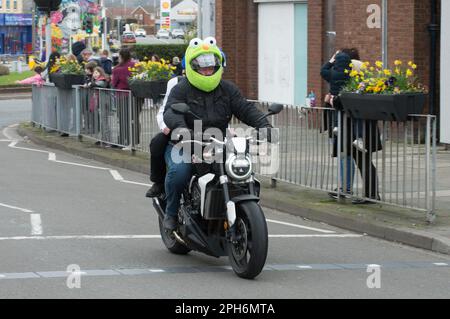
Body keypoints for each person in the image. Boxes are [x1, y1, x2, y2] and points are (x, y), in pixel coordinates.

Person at [161, 37, 272, 231]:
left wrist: (263, 124)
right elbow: (170, 111)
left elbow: (245, 108)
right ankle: (170, 214)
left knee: (241, 174)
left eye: (211, 67)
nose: (207, 71)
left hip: (219, 144)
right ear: (192, 67)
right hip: (186, 141)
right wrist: (182, 130)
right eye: (202, 68)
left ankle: (239, 214)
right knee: (179, 173)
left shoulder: (227, 89)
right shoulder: (182, 88)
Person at [321, 49, 355, 198]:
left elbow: (323, 70)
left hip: (341, 119)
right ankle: (345, 187)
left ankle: (345, 188)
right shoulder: (353, 76)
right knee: (346, 156)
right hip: (351, 119)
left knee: (344, 155)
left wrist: (331, 59)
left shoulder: (333, 74)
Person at [112, 49, 135, 146]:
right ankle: (133, 140)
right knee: (133, 118)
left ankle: (122, 140)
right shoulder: (134, 66)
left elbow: (114, 83)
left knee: (122, 119)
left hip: (122, 95)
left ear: (121, 56)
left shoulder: (117, 69)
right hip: (134, 95)